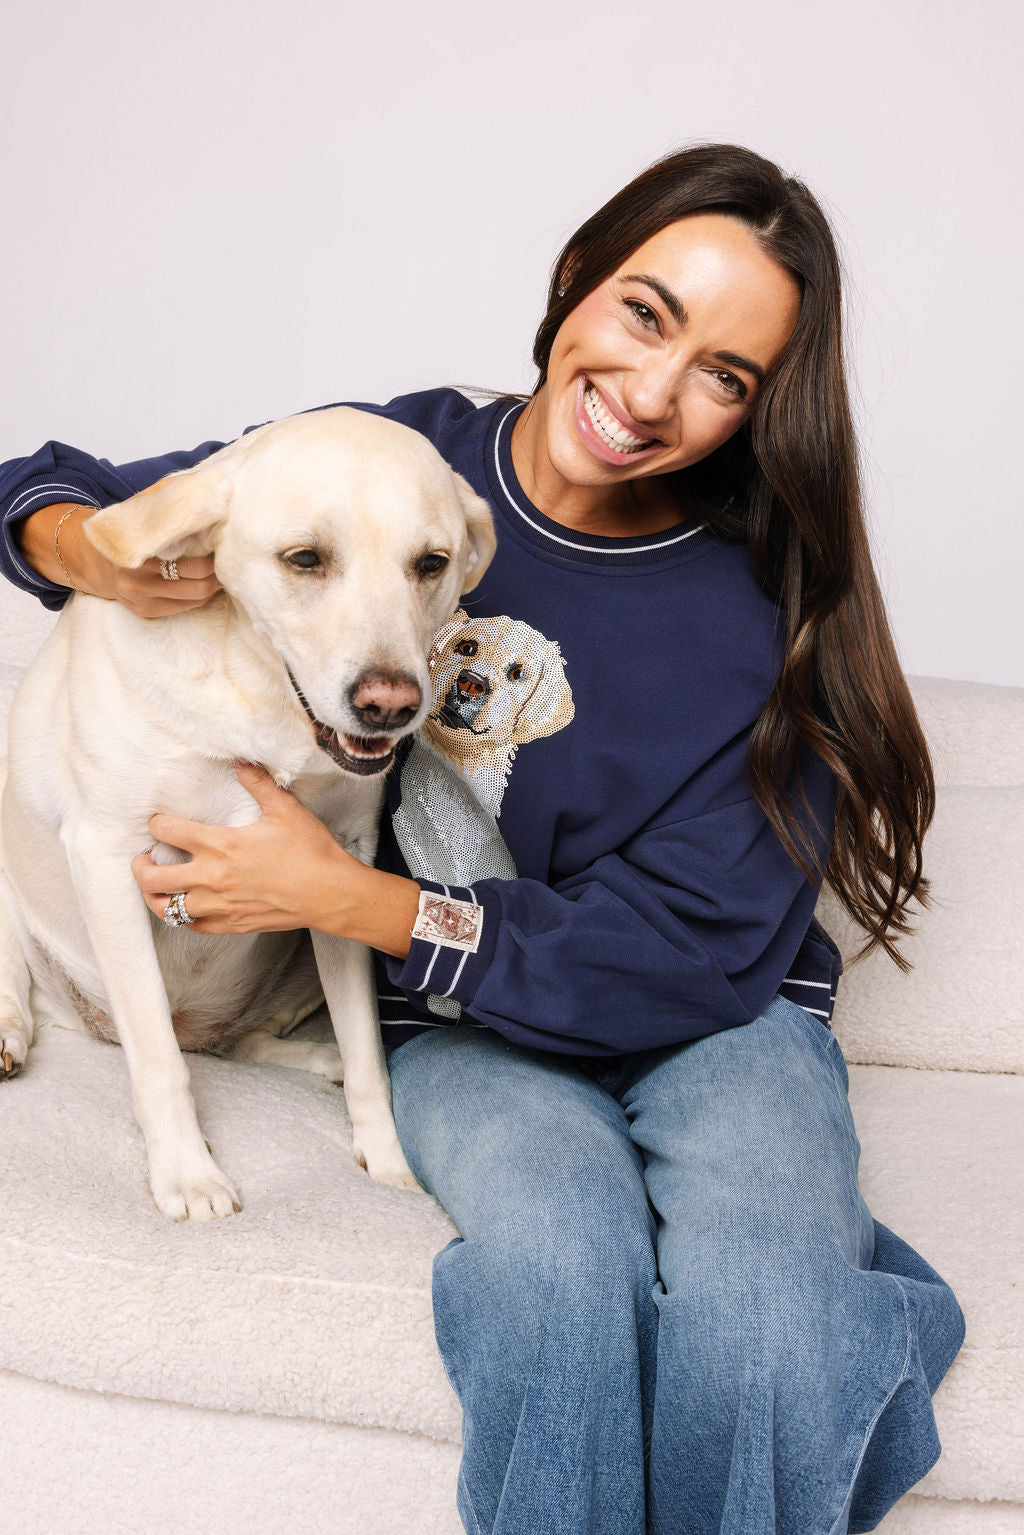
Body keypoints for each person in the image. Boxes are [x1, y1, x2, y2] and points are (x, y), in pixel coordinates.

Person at [0, 143, 965, 1534]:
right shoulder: (397, 460)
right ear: (576, 281)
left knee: (763, 1314)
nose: (650, 394)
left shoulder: (762, 609)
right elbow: (55, 486)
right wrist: (98, 554)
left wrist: (356, 901)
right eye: (645, 313)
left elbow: (695, 954)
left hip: (716, 1019)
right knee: (557, 1276)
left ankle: (838, 1308)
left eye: (725, 375)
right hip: (464, 1034)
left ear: (760, 412)